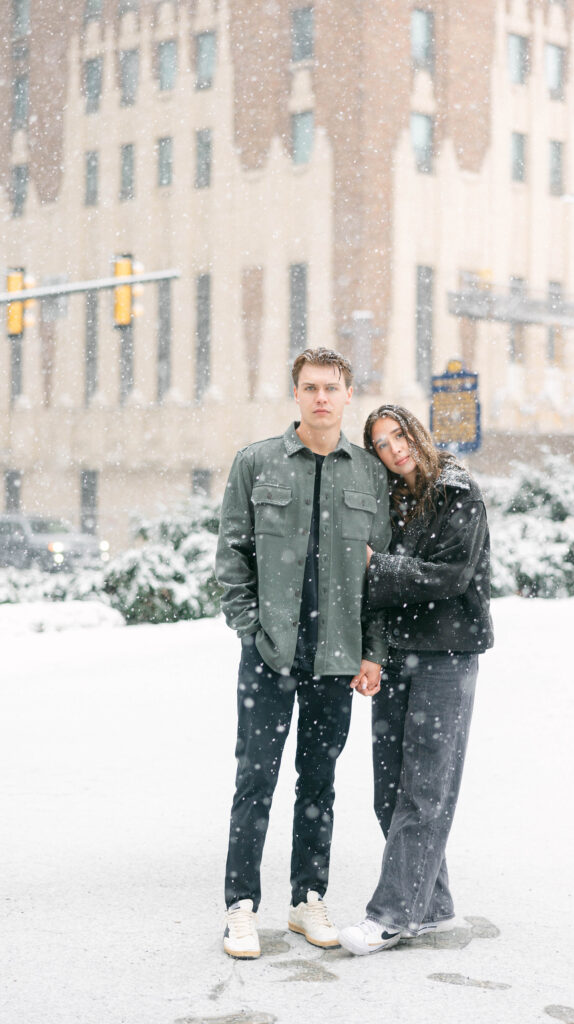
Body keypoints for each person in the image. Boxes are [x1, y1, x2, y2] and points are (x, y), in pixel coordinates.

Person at [215, 348, 391, 960]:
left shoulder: (368, 474)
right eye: (311, 387)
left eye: (332, 388)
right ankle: (241, 906)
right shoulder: (257, 463)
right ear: (296, 394)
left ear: (348, 396)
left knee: (318, 783)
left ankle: (306, 897)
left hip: (335, 659)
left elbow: (381, 576)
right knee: (254, 779)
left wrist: (373, 652)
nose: (321, 398)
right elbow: (231, 556)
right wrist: (249, 629)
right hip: (269, 654)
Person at [338, 404, 494, 956]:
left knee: (426, 788)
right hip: (400, 654)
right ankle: (433, 908)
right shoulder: (388, 502)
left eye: (398, 435)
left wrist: (377, 568)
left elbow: (451, 575)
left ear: (416, 433)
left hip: (447, 655)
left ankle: (391, 915)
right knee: (391, 791)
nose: (394, 448)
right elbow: (378, 590)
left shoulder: (457, 491)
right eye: (381, 443)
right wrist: (374, 648)